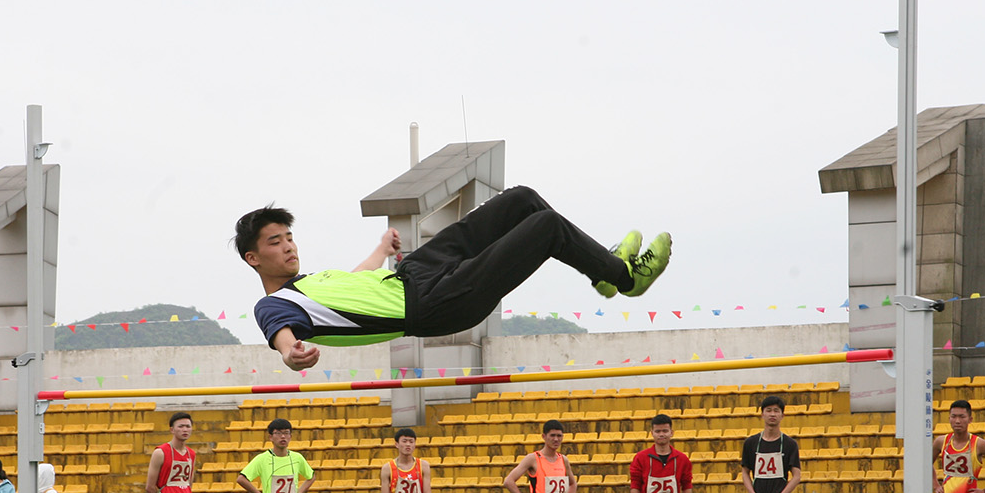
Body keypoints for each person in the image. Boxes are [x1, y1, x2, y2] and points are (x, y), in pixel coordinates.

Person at [234, 186, 673, 370]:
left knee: (521, 200)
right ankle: (625, 278)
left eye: (289, 237)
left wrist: (382, 250)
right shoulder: (274, 306)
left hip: (414, 273)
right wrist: (291, 353)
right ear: (253, 258)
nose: (288, 246)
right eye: (275, 242)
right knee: (546, 227)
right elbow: (282, 334)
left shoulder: (311, 284)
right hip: (433, 304)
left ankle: (602, 272)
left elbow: (356, 280)